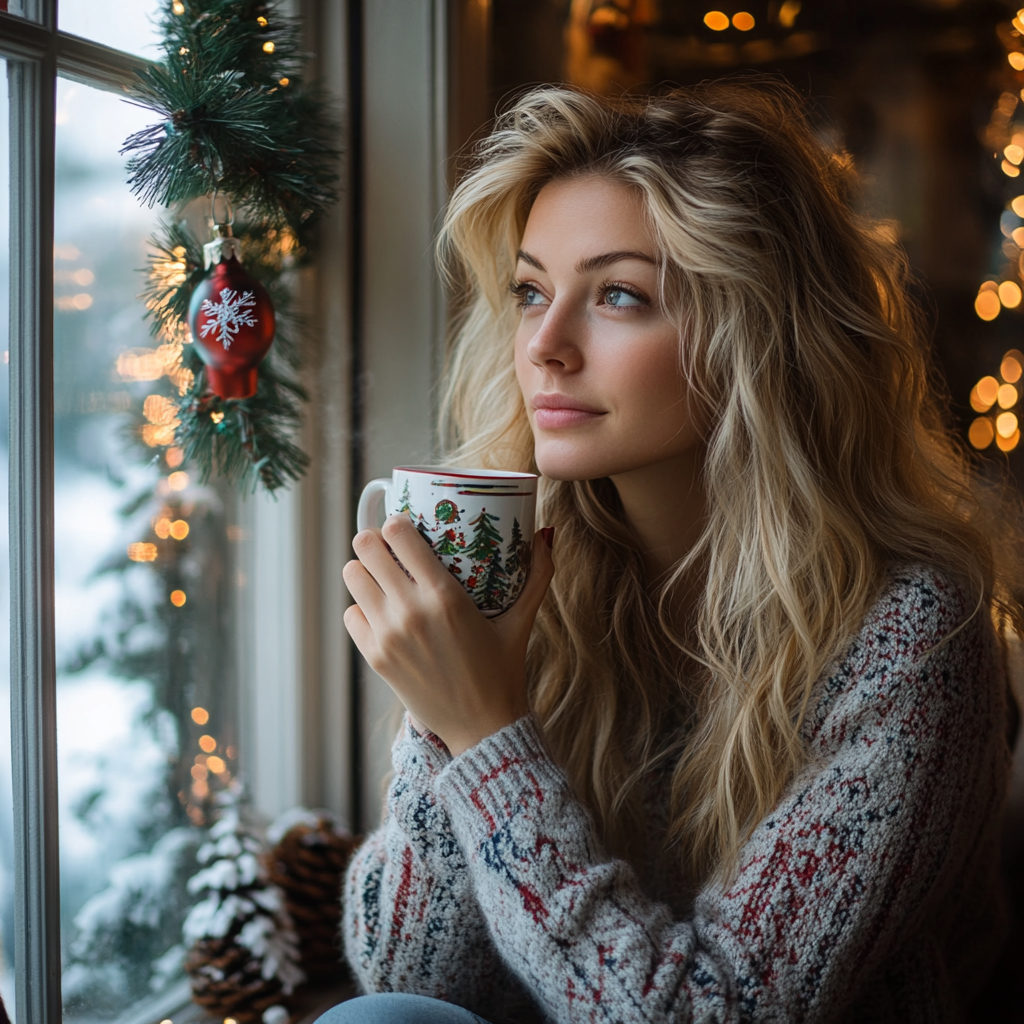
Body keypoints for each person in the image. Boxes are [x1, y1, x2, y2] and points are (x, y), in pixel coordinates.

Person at [323, 81, 1022, 1024]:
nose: (546, 347)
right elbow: (415, 977)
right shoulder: (542, 578)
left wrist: (488, 737)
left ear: (756, 335)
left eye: (618, 295)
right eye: (532, 291)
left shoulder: (910, 636)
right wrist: (444, 710)